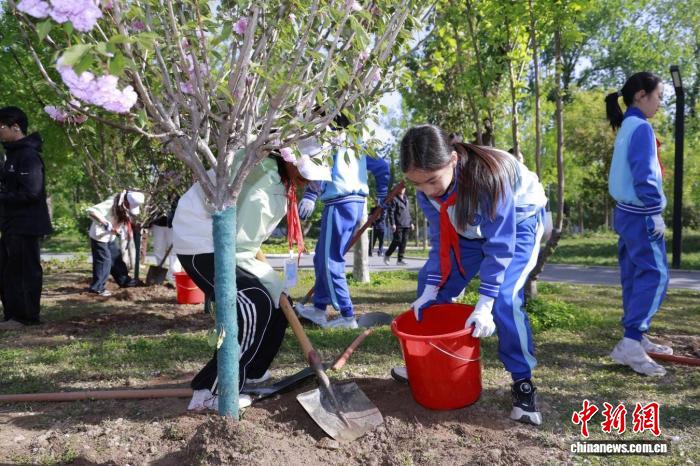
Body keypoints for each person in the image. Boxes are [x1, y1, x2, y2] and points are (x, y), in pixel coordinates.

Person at [392, 125, 548, 426]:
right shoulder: (427, 189)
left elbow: (500, 246)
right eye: (416, 183)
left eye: (432, 180)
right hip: (469, 226)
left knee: (504, 299)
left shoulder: (489, 177)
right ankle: (428, 363)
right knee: (431, 287)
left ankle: (523, 383)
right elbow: (441, 238)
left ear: (452, 160)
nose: (426, 191)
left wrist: (485, 303)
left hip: (519, 222)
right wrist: (432, 287)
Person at [173, 139, 331, 411]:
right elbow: (237, 243)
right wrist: (267, 282)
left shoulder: (273, 171)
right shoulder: (266, 183)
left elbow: (245, 239)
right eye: (305, 172)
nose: (308, 181)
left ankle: (253, 372)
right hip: (202, 242)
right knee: (254, 303)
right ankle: (211, 392)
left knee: (278, 302)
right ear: (290, 159)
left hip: (227, 242)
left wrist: (273, 284)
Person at [605, 72, 672, 377]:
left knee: (634, 275)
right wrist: (655, 210)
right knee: (655, 275)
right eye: (658, 96)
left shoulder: (628, 125)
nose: (660, 103)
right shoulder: (641, 128)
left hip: (626, 213)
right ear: (640, 96)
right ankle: (631, 342)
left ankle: (635, 336)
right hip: (642, 213)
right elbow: (643, 173)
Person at [294, 116, 390, 329]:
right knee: (322, 256)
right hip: (354, 203)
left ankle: (347, 316)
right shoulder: (358, 143)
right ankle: (319, 309)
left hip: (339, 202)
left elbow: (321, 168)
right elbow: (382, 167)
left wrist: (310, 195)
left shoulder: (330, 141)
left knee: (330, 260)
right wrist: (382, 193)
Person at [0, 106, 53, 329]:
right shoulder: (12, 154)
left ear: (15, 127)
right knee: (7, 270)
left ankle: (25, 316)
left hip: (26, 224)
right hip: (11, 224)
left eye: (1, 127)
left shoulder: (28, 156)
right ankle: (12, 314)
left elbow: (32, 192)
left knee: (23, 271)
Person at [85, 190, 144, 296]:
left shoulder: (123, 206)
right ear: (126, 201)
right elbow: (92, 211)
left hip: (110, 237)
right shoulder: (111, 203)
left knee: (116, 260)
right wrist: (106, 224)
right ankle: (97, 288)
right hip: (99, 237)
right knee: (104, 261)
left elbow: (122, 220)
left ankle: (124, 281)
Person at [383, 185, 413, 266]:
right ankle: (387, 254)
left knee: (404, 242)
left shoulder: (406, 198)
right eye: (400, 188)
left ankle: (400, 260)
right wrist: (392, 223)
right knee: (397, 240)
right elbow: (391, 212)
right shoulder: (394, 199)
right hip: (398, 224)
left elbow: (407, 212)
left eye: (403, 188)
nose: (402, 189)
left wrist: (411, 222)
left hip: (407, 223)